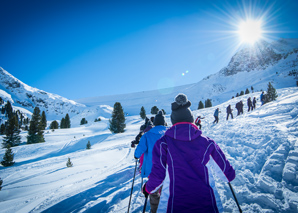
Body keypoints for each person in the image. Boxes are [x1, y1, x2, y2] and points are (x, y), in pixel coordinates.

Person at [142, 93, 236, 212]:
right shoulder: (207, 143)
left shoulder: (162, 144)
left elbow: (158, 176)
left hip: (173, 205)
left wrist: (147, 189)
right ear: (191, 119)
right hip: (207, 204)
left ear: (173, 121)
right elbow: (228, 175)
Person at [134, 110, 167, 213]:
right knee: (167, 189)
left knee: (153, 190)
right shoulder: (170, 133)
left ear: (155, 123)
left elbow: (139, 150)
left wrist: (136, 156)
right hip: (169, 168)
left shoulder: (147, 135)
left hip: (152, 169)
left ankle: (155, 210)